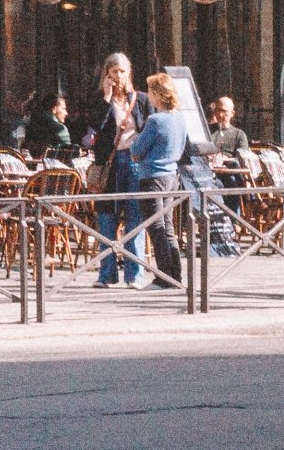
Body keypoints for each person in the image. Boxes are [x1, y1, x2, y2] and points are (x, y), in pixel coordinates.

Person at [82, 53, 141, 288]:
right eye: (114, 71)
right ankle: (107, 274)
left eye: (122, 71)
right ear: (106, 73)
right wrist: (106, 98)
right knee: (107, 218)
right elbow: (94, 128)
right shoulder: (98, 100)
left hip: (134, 162)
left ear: (129, 73)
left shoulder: (139, 99)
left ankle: (134, 275)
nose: (118, 76)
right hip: (109, 163)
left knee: (135, 218)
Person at [126, 73, 187, 290]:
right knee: (167, 227)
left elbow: (137, 149)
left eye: (151, 92)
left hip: (152, 176)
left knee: (156, 227)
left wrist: (134, 146)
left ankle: (163, 277)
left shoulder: (155, 120)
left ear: (157, 94)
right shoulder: (180, 118)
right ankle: (175, 275)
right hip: (171, 175)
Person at [21, 92, 72, 161]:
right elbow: (68, 154)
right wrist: (79, 153)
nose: (66, 113)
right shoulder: (60, 129)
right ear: (54, 108)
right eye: (63, 109)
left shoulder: (31, 126)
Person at [206, 97, 249, 164]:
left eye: (224, 111)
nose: (220, 114)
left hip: (230, 169)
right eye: (218, 110)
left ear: (232, 113)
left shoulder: (239, 135)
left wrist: (227, 159)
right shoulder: (206, 131)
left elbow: (243, 159)